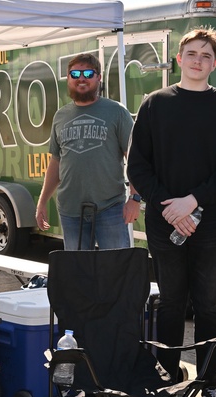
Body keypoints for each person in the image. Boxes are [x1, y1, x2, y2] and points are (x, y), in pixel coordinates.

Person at [127, 27, 216, 397]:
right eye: (192, 53)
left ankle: (211, 386)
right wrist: (169, 206)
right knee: (170, 302)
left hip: (211, 223)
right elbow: (137, 165)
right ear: (179, 59)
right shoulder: (154, 104)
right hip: (165, 222)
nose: (198, 60)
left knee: (210, 306)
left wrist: (193, 201)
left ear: (215, 63)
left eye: (206, 55)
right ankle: (167, 375)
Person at [35, 53, 140, 250]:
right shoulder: (60, 116)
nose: (81, 78)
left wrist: (134, 198)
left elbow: (134, 159)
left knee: (115, 271)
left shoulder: (117, 112)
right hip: (71, 211)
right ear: (68, 78)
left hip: (110, 208)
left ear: (98, 77)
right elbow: (55, 164)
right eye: (75, 73)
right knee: (78, 274)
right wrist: (42, 203)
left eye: (88, 73)